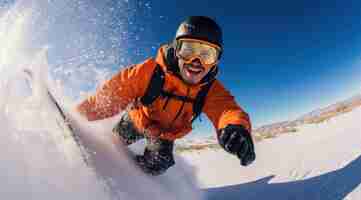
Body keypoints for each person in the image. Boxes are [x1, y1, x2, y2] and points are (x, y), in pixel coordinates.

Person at [77, 16, 256, 176]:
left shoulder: (210, 89)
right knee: (116, 141)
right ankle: (106, 154)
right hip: (139, 121)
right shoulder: (149, 73)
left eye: (206, 55)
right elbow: (112, 94)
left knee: (160, 163)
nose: (196, 61)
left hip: (164, 134)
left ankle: (133, 177)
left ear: (215, 61)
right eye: (188, 50)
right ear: (176, 49)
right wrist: (78, 116)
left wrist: (236, 127)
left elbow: (227, 110)